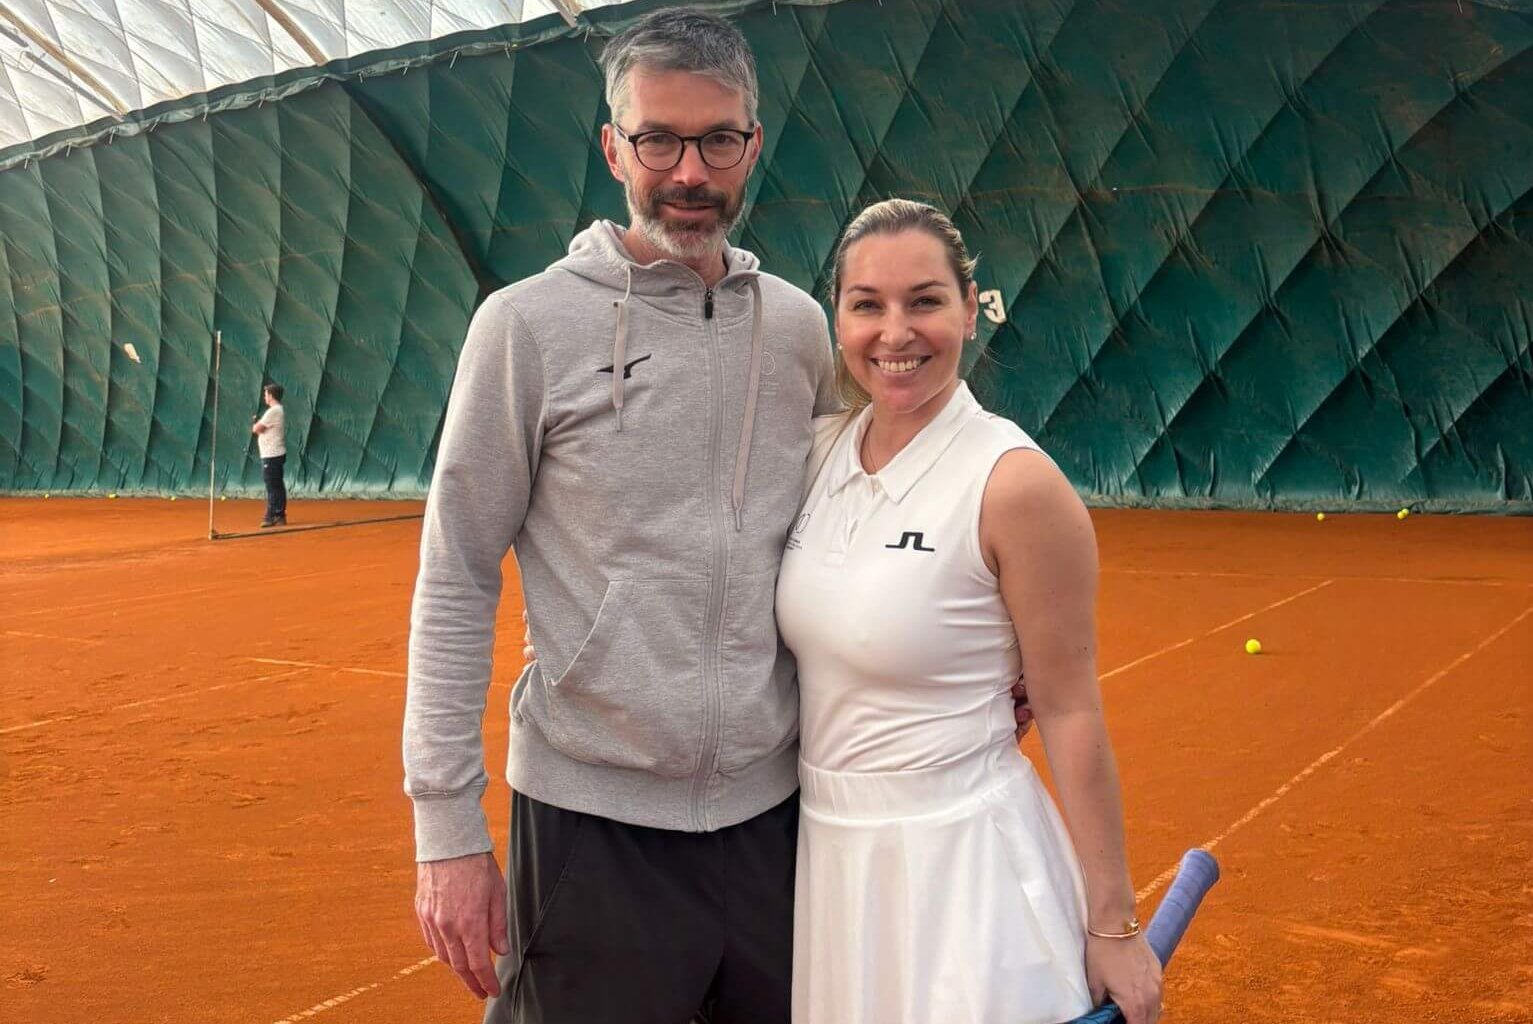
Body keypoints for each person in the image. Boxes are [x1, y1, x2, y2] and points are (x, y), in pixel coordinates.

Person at [403, 10, 836, 1023]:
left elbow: (844, 539)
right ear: (612, 148)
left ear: (752, 145)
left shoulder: (800, 329)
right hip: (592, 828)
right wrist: (446, 826)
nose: (689, 171)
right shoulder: (525, 325)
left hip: (777, 823)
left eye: (716, 139)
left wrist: (974, 661)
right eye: (658, 140)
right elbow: (456, 570)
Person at [777, 199, 1163, 1024]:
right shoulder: (814, 453)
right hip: (830, 863)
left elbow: (1067, 707)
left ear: (968, 309)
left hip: (966, 868)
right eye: (867, 305)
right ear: (837, 319)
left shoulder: (1015, 484)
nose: (895, 333)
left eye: (924, 301)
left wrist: (1113, 924)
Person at [251, 382, 287, 528]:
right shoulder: (276, 411)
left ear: (271, 396)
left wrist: (257, 424)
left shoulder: (274, 411)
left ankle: (272, 515)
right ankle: (279, 515)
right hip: (273, 454)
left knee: (272, 485)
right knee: (276, 485)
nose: (264, 397)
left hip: (272, 455)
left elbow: (256, 428)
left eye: (266, 394)